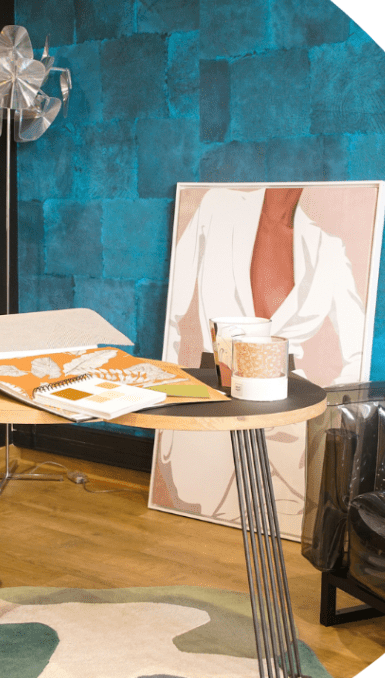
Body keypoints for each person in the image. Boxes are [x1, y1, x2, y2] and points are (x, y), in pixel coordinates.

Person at [157, 185, 368, 528]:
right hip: (213, 394)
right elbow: (174, 311)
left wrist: (330, 421)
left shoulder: (327, 247)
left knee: (285, 517)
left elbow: (356, 342)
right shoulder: (218, 206)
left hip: (286, 411)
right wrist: (168, 398)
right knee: (202, 502)